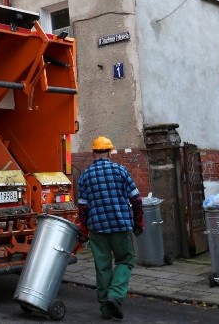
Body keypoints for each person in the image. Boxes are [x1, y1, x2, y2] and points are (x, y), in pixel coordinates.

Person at [77, 136, 144, 320]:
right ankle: (115, 295)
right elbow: (136, 200)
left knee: (103, 267)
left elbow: (83, 208)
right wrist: (139, 223)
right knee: (125, 260)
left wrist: (84, 230)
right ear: (110, 152)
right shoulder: (121, 170)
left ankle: (105, 309)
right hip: (121, 225)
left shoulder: (85, 176)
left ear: (93, 153)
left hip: (97, 228)